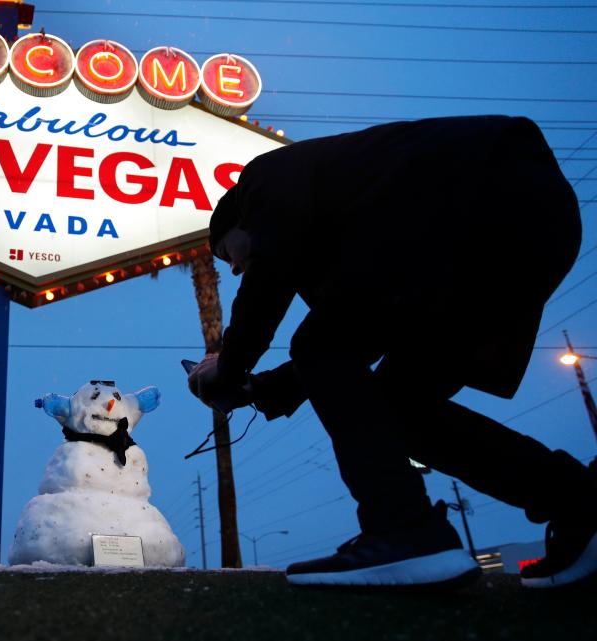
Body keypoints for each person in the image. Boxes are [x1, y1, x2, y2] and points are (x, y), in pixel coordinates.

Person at [187, 115, 596, 588]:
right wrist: (260, 386)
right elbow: (354, 343)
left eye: (228, 254)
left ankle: (403, 530)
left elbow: (281, 288)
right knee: (399, 405)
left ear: (237, 220)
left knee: (321, 343)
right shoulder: (359, 216)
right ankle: (579, 505)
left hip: (474, 195)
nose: (235, 268)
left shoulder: (263, 177)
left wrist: (230, 364)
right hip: (533, 222)